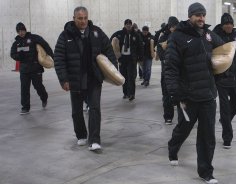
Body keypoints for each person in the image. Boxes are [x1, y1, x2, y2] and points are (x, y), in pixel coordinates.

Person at [164, 3, 224, 184]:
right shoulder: (178, 37)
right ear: (190, 16)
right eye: (198, 15)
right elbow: (171, 68)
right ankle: (173, 148)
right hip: (188, 96)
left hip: (207, 95)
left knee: (207, 136)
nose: (201, 18)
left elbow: (224, 53)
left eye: (203, 15)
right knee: (184, 129)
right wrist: (175, 94)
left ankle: (206, 171)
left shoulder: (209, 35)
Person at [54, 6, 117, 152]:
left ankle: (95, 140)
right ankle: (81, 135)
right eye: (80, 18)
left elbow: (108, 49)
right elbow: (59, 58)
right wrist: (63, 79)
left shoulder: (96, 32)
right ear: (74, 18)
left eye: (85, 18)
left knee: (94, 108)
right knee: (76, 110)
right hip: (75, 79)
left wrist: (113, 70)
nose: (83, 21)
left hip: (93, 78)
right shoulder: (65, 36)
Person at [213, 13, 236, 149]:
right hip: (221, 79)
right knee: (225, 108)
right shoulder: (216, 36)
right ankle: (227, 138)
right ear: (222, 25)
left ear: (233, 25)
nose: (228, 26)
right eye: (226, 24)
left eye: (230, 23)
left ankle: (224, 120)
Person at [10, 22, 53, 115]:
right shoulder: (16, 43)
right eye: (19, 31)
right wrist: (18, 56)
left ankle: (44, 97)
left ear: (25, 30)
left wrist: (53, 56)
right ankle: (25, 107)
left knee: (38, 86)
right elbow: (12, 54)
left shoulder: (34, 38)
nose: (21, 33)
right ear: (17, 32)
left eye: (22, 30)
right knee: (24, 88)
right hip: (24, 70)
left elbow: (45, 45)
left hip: (36, 68)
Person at [111, 19, 143, 101]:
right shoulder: (119, 33)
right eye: (127, 24)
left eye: (130, 24)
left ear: (131, 25)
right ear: (124, 25)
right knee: (123, 76)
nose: (128, 25)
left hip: (132, 59)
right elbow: (111, 40)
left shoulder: (136, 35)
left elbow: (140, 46)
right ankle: (125, 93)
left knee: (131, 77)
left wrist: (140, 57)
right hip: (122, 58)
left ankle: (132, 94)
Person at [157, 16, 179, 125]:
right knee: (167, 94)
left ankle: (184, 117)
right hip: (167, 70)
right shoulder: (163, 37)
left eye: (175, 26)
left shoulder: (181, 36)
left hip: (180, 71)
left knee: (181, 94)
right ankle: (168, 117)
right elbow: (160, 52)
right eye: (172, 26)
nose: (173, 28)